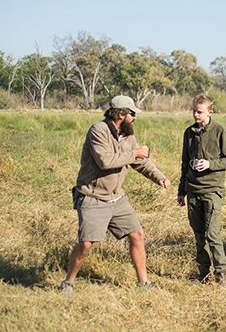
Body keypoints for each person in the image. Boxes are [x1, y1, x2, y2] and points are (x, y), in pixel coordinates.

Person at [59, 95, 171, 296]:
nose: (135, 118)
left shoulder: (128, 136)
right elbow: (105, 161)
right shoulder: (98, 131)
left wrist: (159, 177)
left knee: (137, 235)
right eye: (133, 114)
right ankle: (68, 282)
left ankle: (144, 284)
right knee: (86, 243)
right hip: (93, 196)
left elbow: (140, 162)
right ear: (121, 114)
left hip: (117, 197)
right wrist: (134, 154)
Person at [177, 94, 226, 287]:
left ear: (209, 112)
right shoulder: (189, 133)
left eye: (199, 112)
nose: (195, 114)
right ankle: (203, 274)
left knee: (212, 233)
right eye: (193, 110)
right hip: (193, 190)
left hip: (212, 189)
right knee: (199, 234)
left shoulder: (220, 131)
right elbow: (185, 163)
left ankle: (222, 275)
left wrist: (210, 163)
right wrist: (181, 191)